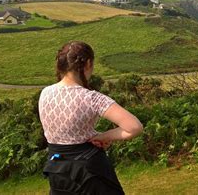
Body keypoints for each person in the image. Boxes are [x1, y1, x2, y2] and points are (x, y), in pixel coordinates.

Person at [38, 40, 143, 195]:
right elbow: (134, 127)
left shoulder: (45, 93)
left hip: (57, 171)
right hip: (90, 173)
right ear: (88, 64)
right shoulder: (92, 98)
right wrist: (103, 136)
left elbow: (67, 131)